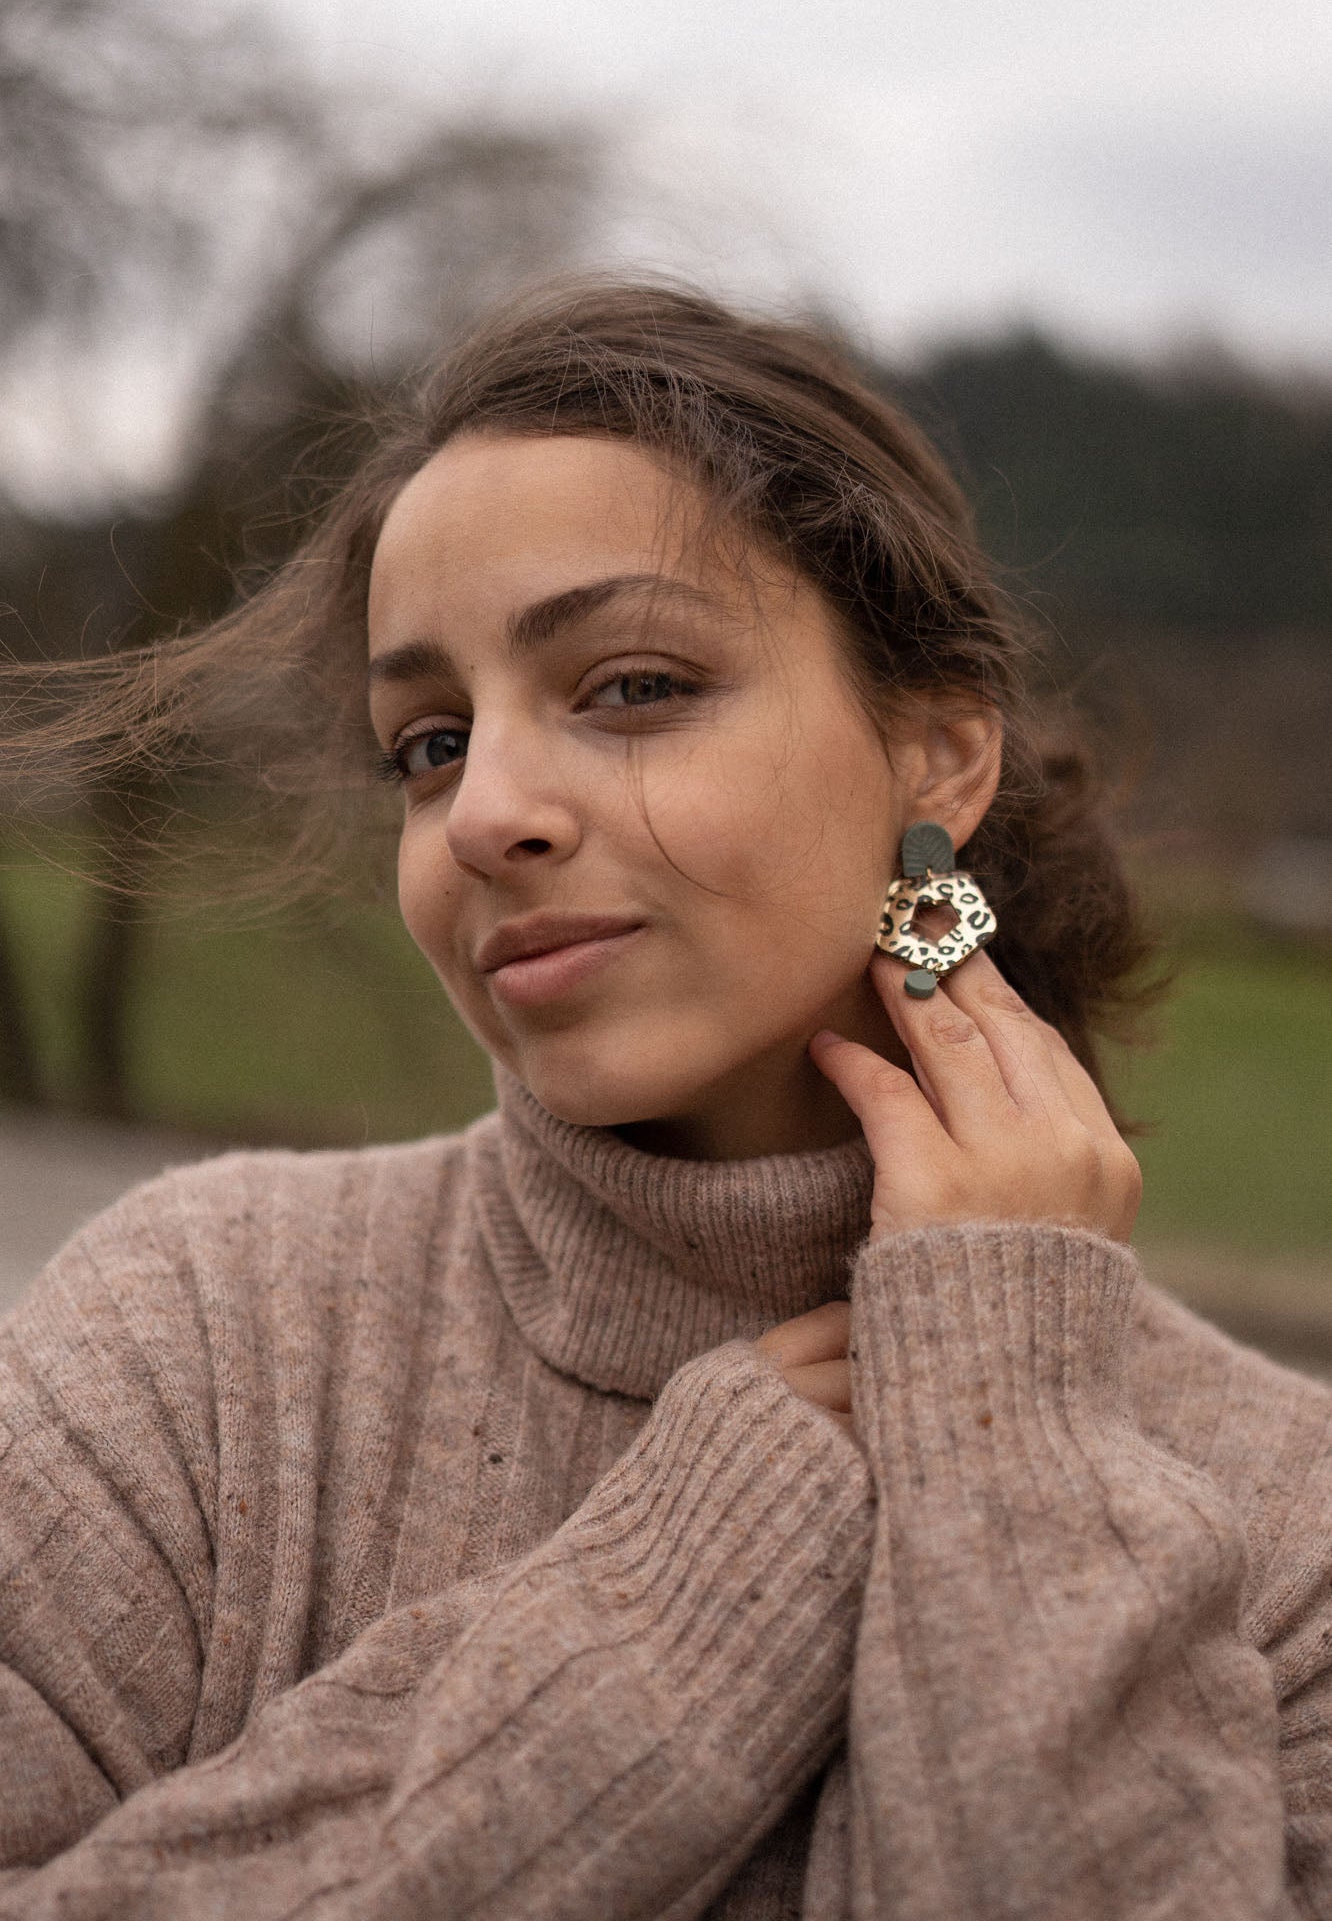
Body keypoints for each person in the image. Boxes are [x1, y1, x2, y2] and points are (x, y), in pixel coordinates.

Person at [1, 278, 1329, 1920]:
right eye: (425, 742)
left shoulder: (1291, 1529)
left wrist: (1015, 1428)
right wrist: (684, 1600)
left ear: (937, 762)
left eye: (632, 686)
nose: (485, 810)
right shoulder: (196, 1339)